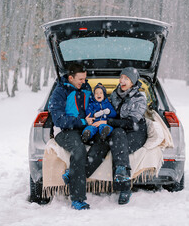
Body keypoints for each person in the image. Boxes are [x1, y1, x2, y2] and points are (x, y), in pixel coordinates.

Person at [85, 67, 148, 205]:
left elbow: (131, 123)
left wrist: (107, 121)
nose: (122, 80)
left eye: (126, 78)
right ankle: (80, 173)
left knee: (117, 141)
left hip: (135, 132)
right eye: (121, 77)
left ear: (133, 81)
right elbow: (107, 110)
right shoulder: (115, 94)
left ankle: (124, 187)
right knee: (104, 140)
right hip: (117, 129)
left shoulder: (139, 98)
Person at [48, 63, 94, 210]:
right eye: (80, 79)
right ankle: (77, 199)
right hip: (65, 131)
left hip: (85, 128)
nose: (83, 82)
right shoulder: (60, 92)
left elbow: (93, 106)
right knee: (79, 150)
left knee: (105, 143)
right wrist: (81, 121)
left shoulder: (86, 88)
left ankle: (73, 173)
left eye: (85, 79)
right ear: (70, 77)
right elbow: (59, 120)